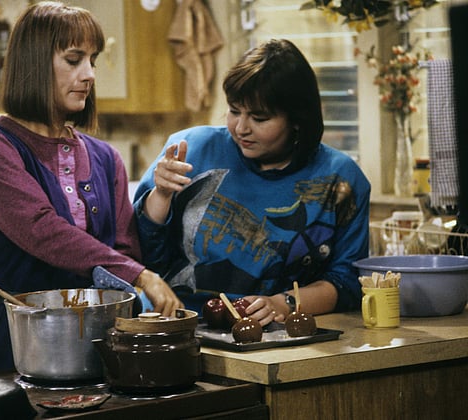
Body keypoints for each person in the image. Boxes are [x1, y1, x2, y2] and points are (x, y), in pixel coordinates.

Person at [0, 1, 182, 374]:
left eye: (93, 61)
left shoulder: (105, 157)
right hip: (19, 343)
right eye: (74, 60)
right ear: (33, 63)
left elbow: (125, 251)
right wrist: (141, 276)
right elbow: (41, 230)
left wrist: (161, 198)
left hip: (102, 343)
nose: (90, 74)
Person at [133, 39, 370, 326]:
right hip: (176, 326)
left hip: (275, 334)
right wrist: (160, 195)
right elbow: (137, 257)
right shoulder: (191, 149)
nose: (241, 128)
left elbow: (348, 282)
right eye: (234, 111)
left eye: (259, 117)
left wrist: (283, 303)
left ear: (297, 119)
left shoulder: (340, 180)